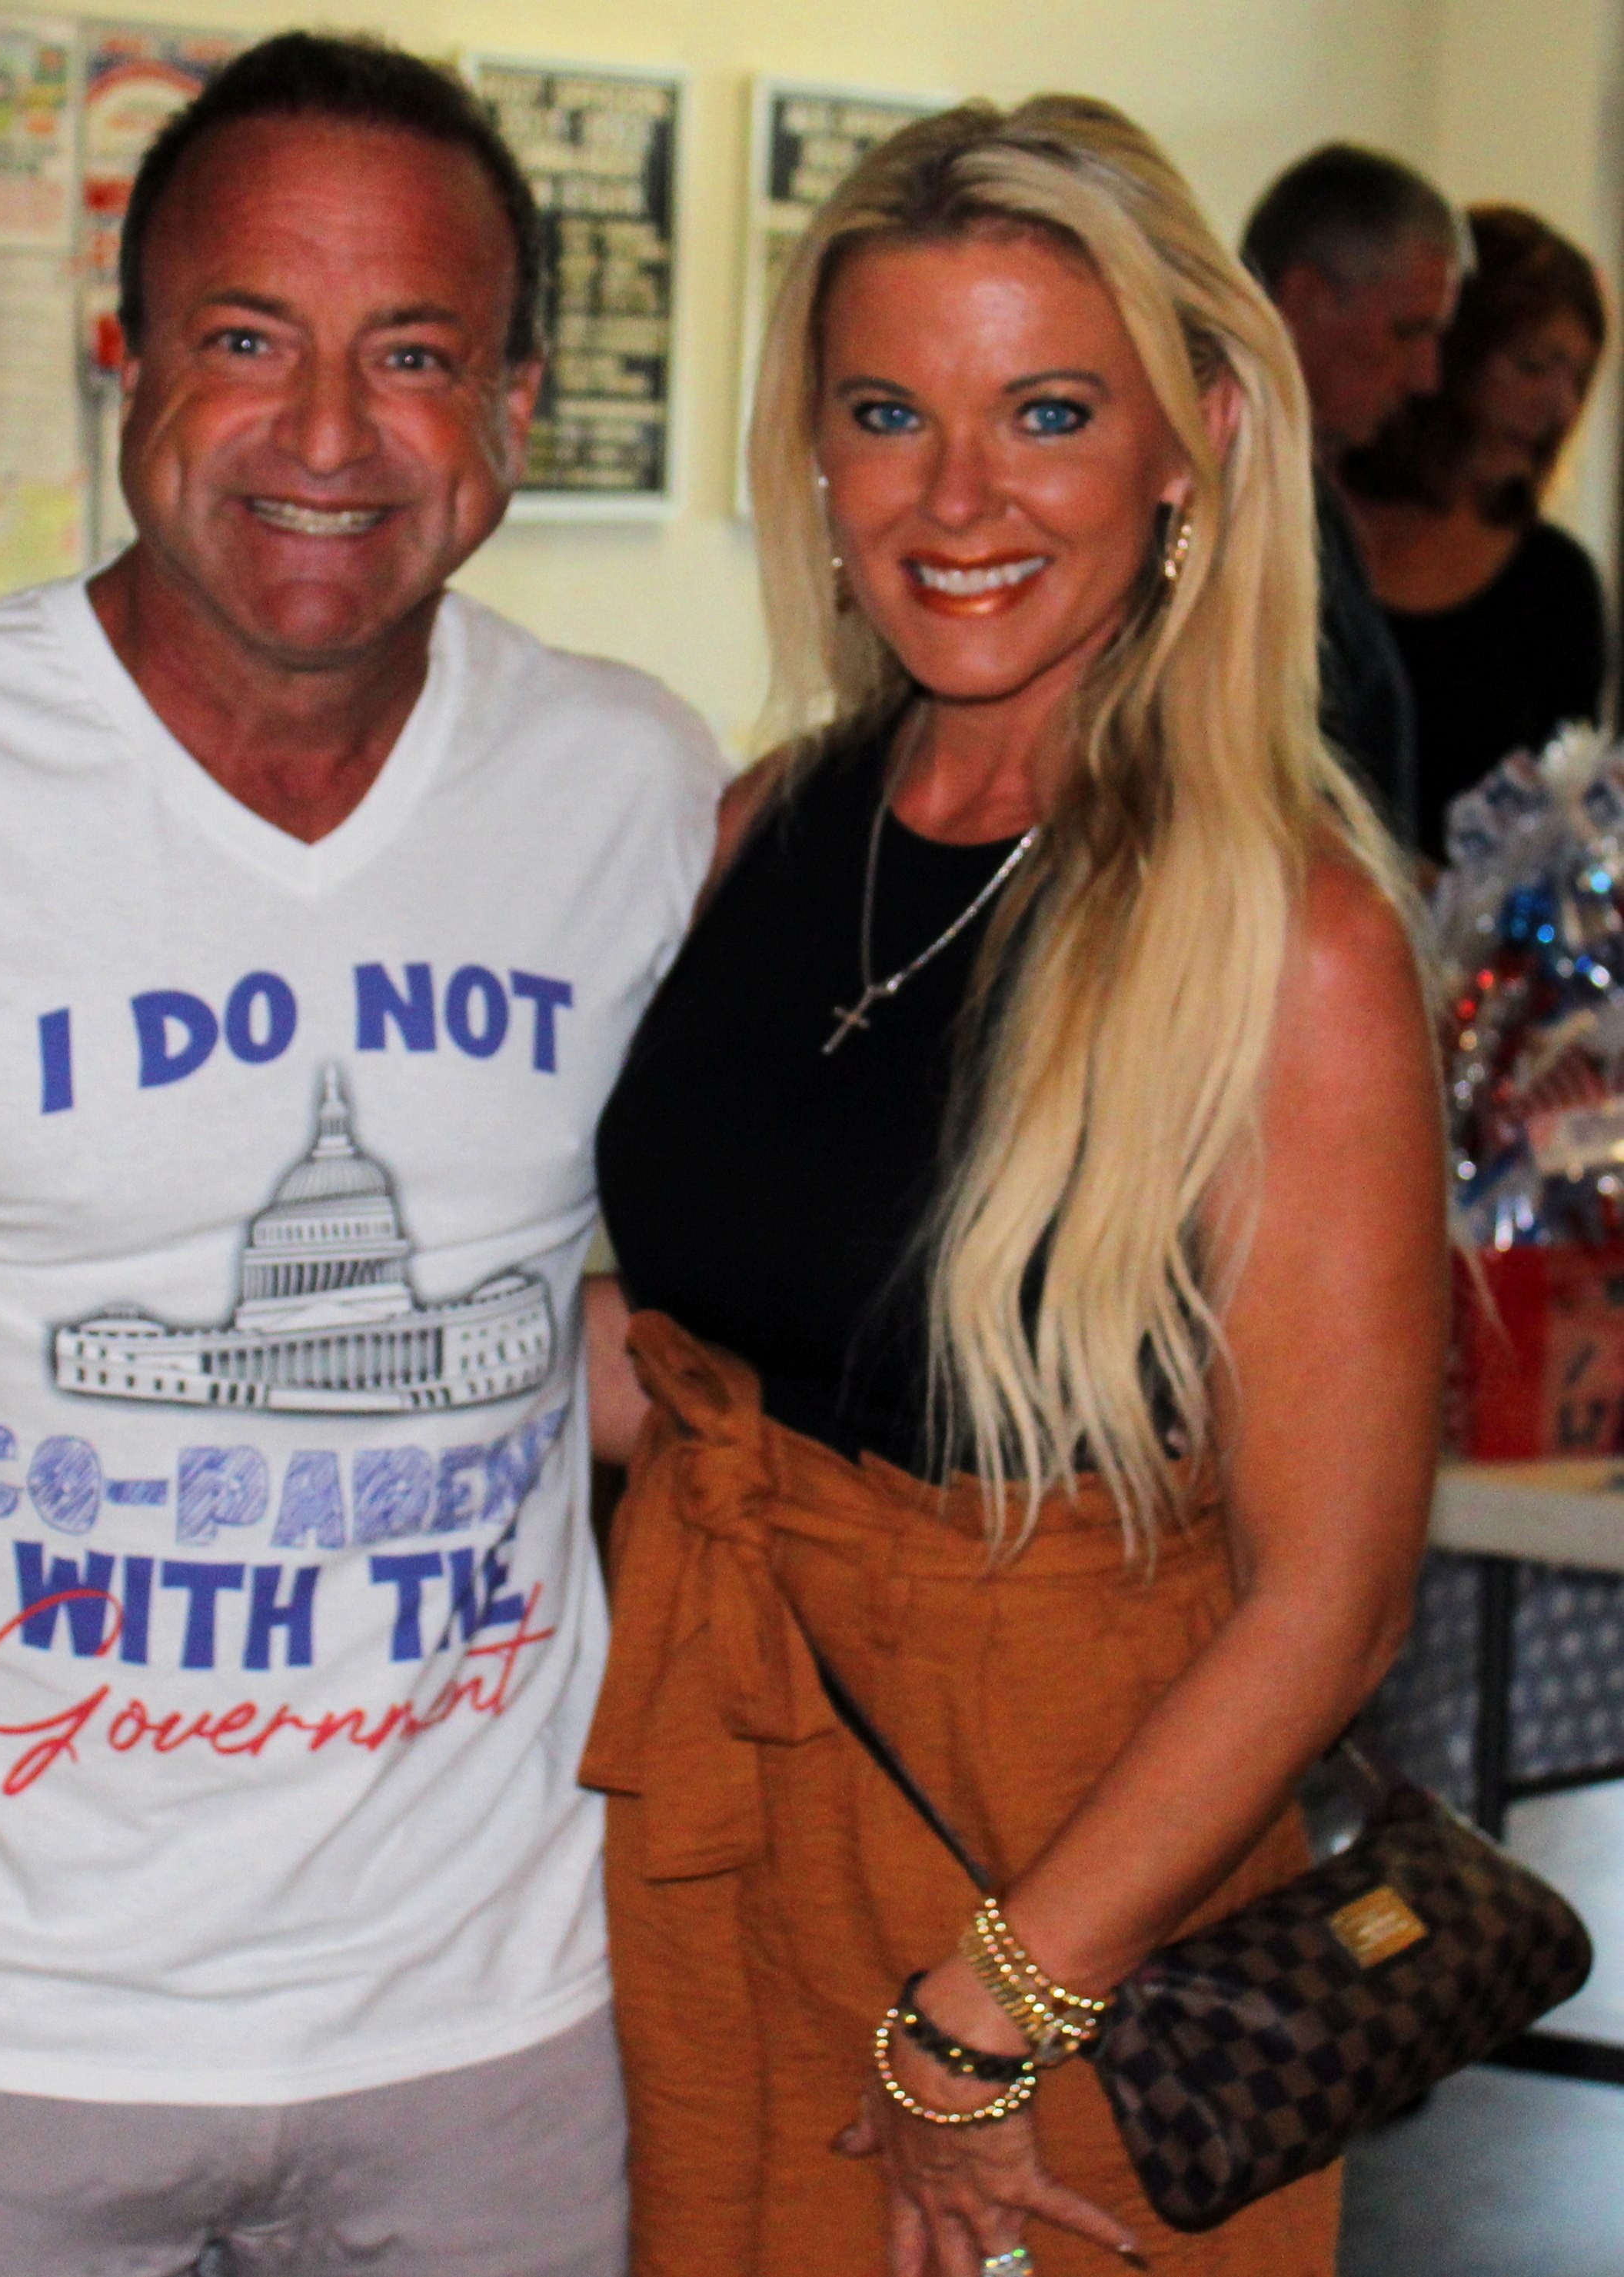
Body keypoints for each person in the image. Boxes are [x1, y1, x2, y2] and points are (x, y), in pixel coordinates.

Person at [0, 33, 725, 2277]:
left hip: (489, 2024)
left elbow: (670, 1323)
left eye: (413, 355)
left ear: (514, 411)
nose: (327, 436)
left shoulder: (637, 793)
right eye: (247, 340)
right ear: (126, 361)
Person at [584, 96, 1445, 2277]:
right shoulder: (764, 827)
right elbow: (718, 1333)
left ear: (1191, 445)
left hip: (1063, 1889)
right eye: (886, 413)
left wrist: (990, 2019)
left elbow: (1326, 1600)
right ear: (812, 451)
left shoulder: (1287, 942)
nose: (954, 498)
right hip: (730, 1802)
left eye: (1045, 413)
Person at [1343, 204, 1608, 861]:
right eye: (1531, 365)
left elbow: (1563, 832)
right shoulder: (1316, 524)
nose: (1560, 406)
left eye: (1578, 378)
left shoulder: (1555, 583)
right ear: (1448, 352)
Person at [1241, 142, 1463, 839]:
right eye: (1408, 331)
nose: (1426, 376)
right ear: (1306, 298)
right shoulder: (1221, 500)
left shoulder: (1307, 499)